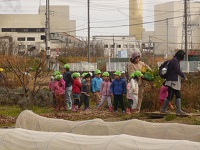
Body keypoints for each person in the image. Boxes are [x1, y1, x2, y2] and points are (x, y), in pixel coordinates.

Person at [161, 50, 188, 115]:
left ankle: (178, 110)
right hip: (172, 81)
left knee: (177, 95)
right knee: (170, 95)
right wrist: (184, 76)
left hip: (174, 81)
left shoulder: (175, 60)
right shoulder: (175, 61)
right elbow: (177, 70)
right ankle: (164, 109)